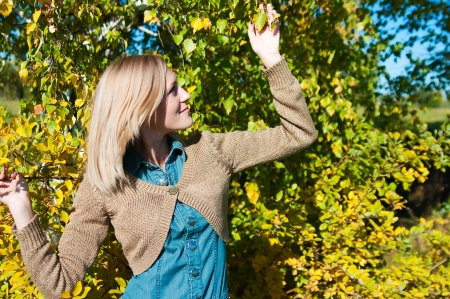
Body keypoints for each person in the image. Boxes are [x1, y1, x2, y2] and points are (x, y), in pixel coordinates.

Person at [0, 3, 317, 299]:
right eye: (173, 90)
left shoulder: (212, 151)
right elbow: (58, 281)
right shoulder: (106, 184)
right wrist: (21, 209)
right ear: (142, 107)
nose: (187, 94)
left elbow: (299, 134)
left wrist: (271, 57)